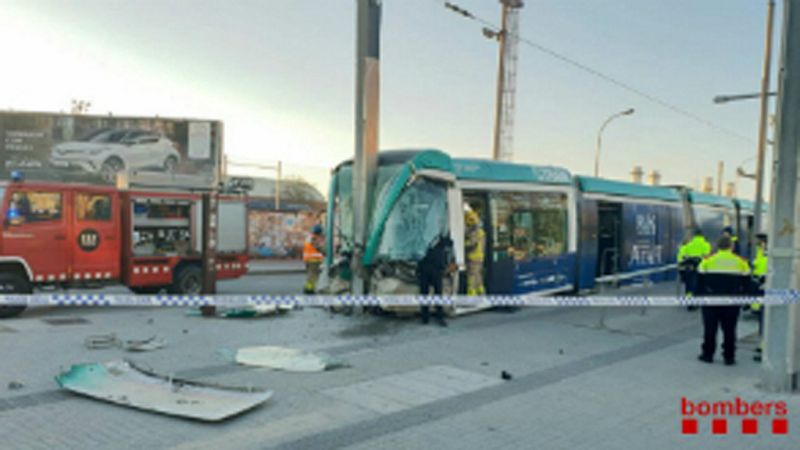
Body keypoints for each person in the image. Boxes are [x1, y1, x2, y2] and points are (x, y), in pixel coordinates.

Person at [696, 236, 751, 365]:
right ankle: (729, 357)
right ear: (731, 246)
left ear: (717, 246)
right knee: (730, 330)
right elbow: (747, 282)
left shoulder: (708, 260)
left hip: (711, 301)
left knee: (710, 329)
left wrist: (698, 298)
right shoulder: (740, 261)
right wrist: (745, 298)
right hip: (732, 302)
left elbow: (699, 281)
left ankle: (708, 355)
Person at [417, 233, 454, 326]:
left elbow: (450, 245)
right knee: (425, 294)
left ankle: (439, 316)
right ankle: (425, 317)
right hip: (425, 269)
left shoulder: (442, 237)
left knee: (437, 294)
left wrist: (446, 265)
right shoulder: (423, 236)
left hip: (435, 270)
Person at [677, 228, 711, 304]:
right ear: (702, 235)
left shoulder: (688, 245)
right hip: (701, 268)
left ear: (694, 236)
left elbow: (683, 256)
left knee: (689, 285)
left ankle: (689, 297)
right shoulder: (706, 244)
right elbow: (707, 256)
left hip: (690, 267)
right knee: (701, 284)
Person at [751, 233, 768, 362]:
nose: (757, 242)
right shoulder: (760, 252)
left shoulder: (769, 253)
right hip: (760, 287)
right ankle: (762, 346)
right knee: (762, 320)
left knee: (766, 320)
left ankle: (764, 349)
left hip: (767, 288)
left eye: (759, 241)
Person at [464, 208, 486, 295]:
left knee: (471, 275)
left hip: (472, 256)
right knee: (478, 274)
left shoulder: (473, 232)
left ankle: (471, 293)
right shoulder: (481, 232)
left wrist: (463, 244)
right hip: (480, 256)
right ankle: (480, 291)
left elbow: (471, 244)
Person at [302, 224, 325, 294]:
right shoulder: (313, 238)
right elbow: (318, 248)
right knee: (312, 276)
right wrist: (326, 252)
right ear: (318, 233)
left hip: (309, 260)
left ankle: (307, 288)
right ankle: (309, 290)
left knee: (310, 275)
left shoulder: (310, 237)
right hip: (313, 260)